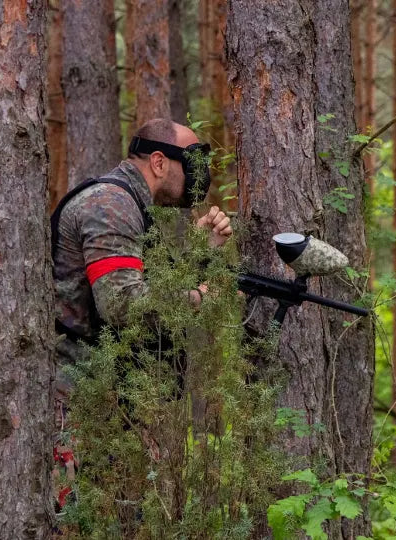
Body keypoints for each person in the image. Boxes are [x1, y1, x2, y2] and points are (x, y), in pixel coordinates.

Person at [49, 118, 232, 506]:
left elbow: (140, 289)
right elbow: (121, 304)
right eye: (192, 163)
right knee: (79, 522)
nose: (200, 175)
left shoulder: (128, 205)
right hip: (81, 399)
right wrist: (200, 297)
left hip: (107, 399)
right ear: (160, 162)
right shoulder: (110, 204)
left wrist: (202, 252)